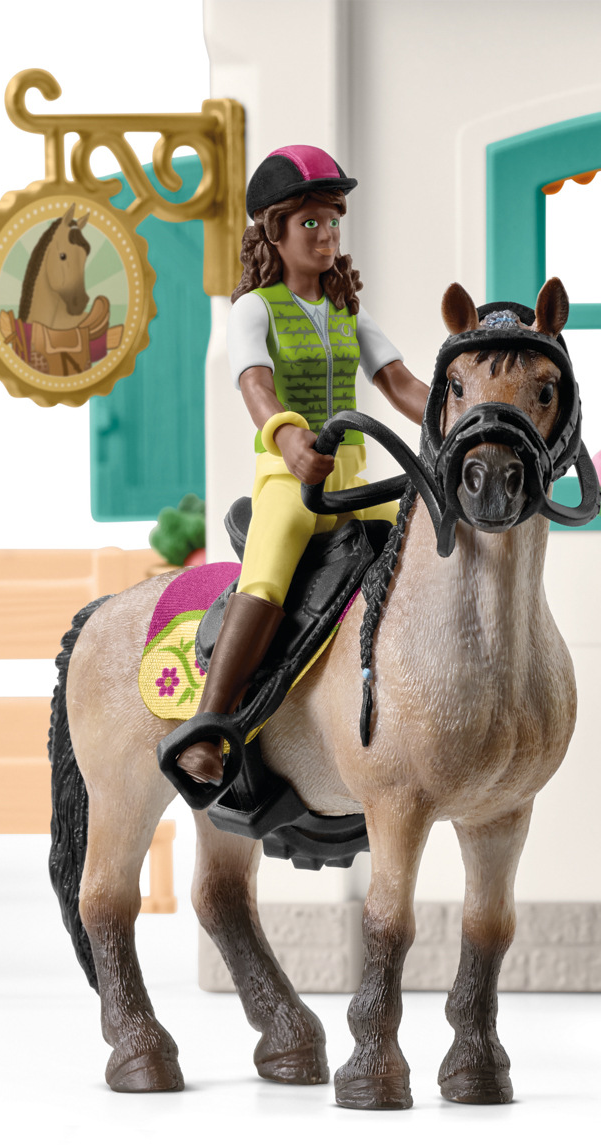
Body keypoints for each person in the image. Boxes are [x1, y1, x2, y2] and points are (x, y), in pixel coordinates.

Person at [177, 145, 429, 784]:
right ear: (274, 230)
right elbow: (255, 384)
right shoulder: (254, 308)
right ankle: (209, 725)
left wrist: (462, 418)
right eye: (310, 222)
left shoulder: (347, 311)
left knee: (423, 531)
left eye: (333, 222)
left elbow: (398, 382)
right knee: (267, 577)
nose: (326, 236)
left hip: (351, 481)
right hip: (289, 482)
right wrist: (288, 440)